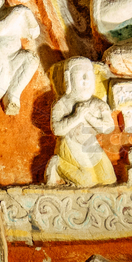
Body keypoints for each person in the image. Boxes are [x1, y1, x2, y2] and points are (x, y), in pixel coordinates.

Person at [44, 56, 116, 187]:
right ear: (68, 79)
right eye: (80, 75)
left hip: (91, 145)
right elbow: (58, 130)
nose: (86, 79)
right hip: (70, 144)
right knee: (86, 181)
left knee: (109, 179)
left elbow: (109, 127)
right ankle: (57, 164)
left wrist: (89, 117)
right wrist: (77, 116)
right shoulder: (61, 104)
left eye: (89, 74)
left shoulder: (98, 103)